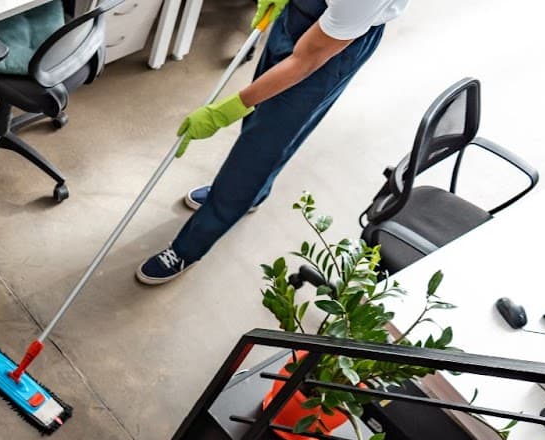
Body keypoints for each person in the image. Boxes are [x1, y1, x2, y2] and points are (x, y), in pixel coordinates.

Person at [136, 0, 403, 284]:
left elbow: (304, 61)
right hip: (307, 15)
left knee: (258, 151)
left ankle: (188, 248)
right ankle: (253, 193)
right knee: (260, 124)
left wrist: (225, 111)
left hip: (331, 49)